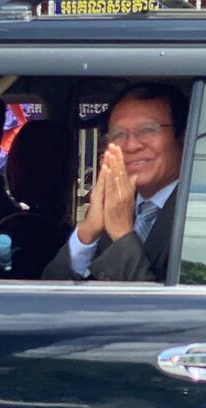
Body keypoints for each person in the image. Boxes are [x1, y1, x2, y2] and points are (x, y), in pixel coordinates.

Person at [42, 83, 188, 282]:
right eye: (119, 134)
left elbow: (152, 310)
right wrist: (87, 233)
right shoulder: (115, 207)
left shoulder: (200, 216)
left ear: (182, 137)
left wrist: (122, 234)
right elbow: (48, 300)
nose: (131, 145)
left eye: (147, 130)